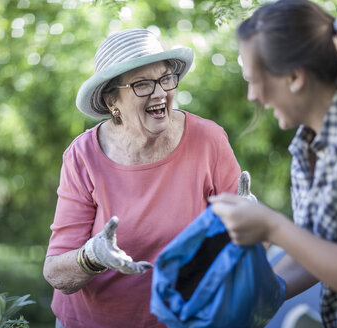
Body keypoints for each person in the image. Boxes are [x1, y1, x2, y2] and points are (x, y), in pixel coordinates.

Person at [208, 0, 337, 326]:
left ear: (294, 76)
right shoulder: (306, 145)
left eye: (254, 79)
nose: (252, 96)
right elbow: (314, 251)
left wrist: (273, 227)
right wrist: (250, 304)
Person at [43, 28, 241, 328]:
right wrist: (92, 256)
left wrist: (246, 222)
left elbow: (248, 238)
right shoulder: (83, 155)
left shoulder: (208, 140)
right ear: (113, 102)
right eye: (142, 84)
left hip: (183, 321)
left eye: (165, 78)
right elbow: (57, 273)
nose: (160, 92)